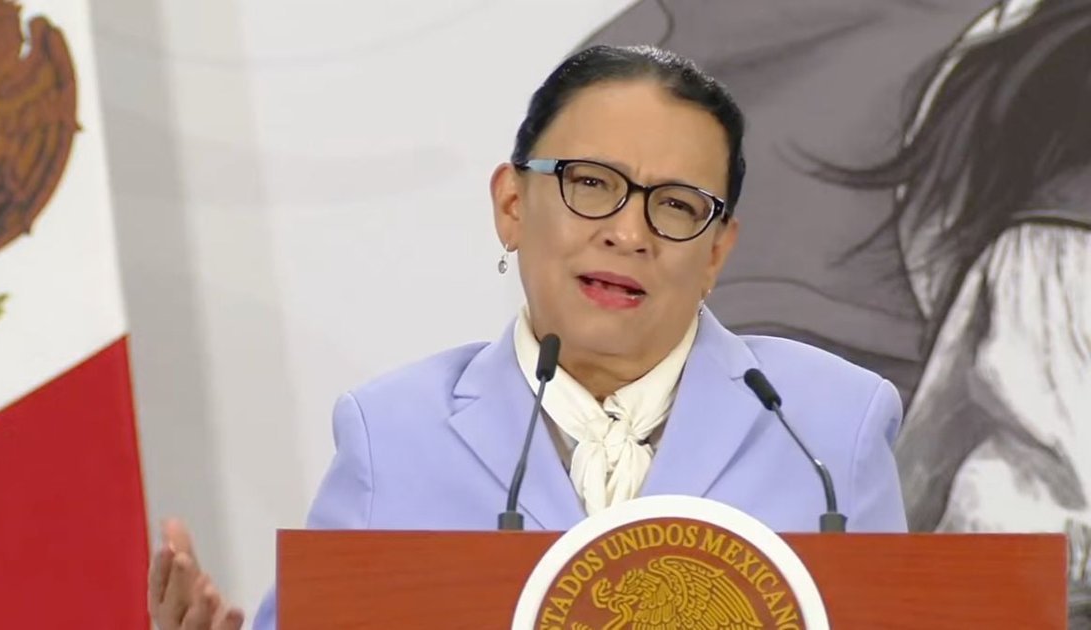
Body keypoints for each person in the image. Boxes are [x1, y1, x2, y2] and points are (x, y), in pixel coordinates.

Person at [148, 44, 908, 630]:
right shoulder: (393, 433)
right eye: (592, 183)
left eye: (677, 205)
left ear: (716, 251)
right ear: (512, 205)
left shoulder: (828, 426)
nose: (628, 232)